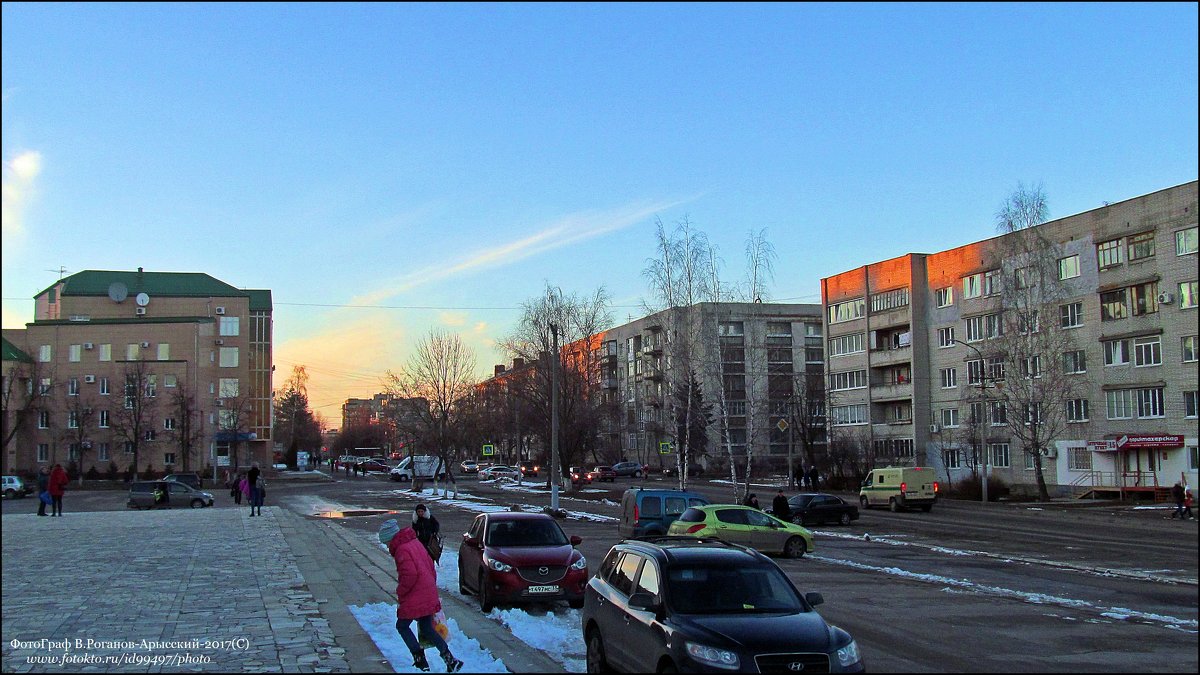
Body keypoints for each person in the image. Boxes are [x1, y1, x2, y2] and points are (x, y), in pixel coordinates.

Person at [378, 519, 463, 673]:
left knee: (402, 626)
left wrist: (401, 592)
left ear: (391, 539)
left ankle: (420, 661)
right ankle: (450, 660)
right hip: (428, 590)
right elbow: (430, 566)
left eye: (386, 543)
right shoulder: (414, 542)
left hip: (416, 594)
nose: (387, 547)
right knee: (427, 627)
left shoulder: (401, 550)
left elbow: (409, 575)